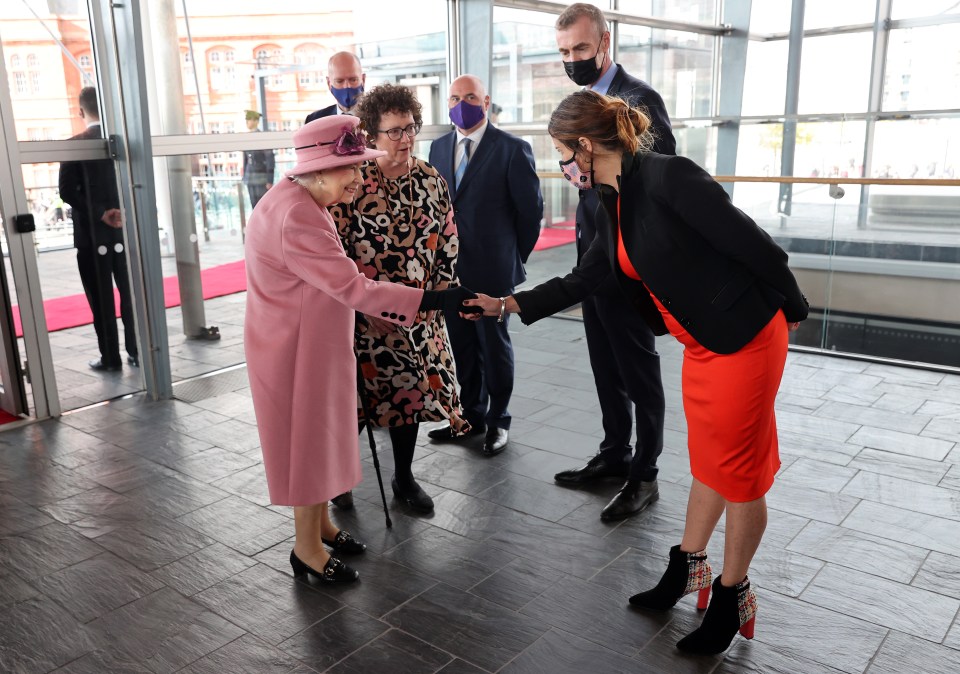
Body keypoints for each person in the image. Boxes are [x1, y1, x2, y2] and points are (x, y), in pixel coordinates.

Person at [463, 91, 809, 655]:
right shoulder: (611, 197)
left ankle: (731, 594)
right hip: (702, 345)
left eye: (562, 154)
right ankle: (686, 568)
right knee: (708, 461)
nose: (562, 166)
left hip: (746, 338)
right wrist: (508, 304)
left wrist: (792, 309)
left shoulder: (670, 178)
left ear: (585, 145)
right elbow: (586, 275)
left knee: (740, 475)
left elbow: (755, 246)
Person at [244, 115, 478, 583]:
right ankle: (306, 550)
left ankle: (323, 526)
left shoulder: (298, 200)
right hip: (296, 352)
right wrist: (434, 300)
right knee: (308, 447)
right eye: (349, 169)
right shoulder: (298, 216)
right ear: (318, 170)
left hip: (307, 343)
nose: (358, 178)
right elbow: (355, 289)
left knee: (321, 439)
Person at [552, 2, 677, 522]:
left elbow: (660, 177)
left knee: (638, 370)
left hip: (629, 263)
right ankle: (614, 453)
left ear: (605, 43)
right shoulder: (578, 102)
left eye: (581, 48)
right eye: (563, 51)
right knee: (604, 362)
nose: (572, 59)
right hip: (594, 259)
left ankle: (644, 474)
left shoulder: (639, 99)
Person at [328, 83, 469, 514]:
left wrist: (435, 300)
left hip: (417, 314)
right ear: (371, 135)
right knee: (353, 404)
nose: (405, 139)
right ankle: (339, 479)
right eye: (394, 131)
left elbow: (447, 244)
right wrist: (364, 308)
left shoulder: (430, 179)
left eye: (410, 128)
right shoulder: (354, 182)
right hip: (363, 319)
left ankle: (404, 477)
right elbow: (336, 251)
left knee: (407, 397)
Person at [427, 75, 542, 456]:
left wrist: (512, 260)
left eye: (470, 96)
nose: (463, 104)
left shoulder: (512, 148)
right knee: (460, 345)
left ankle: (498, 420)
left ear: (487, 100)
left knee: (494, 347)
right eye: (455, 98)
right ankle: (471, 415)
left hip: (493, 270)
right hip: (451, 271)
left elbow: (530, 214)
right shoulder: (439, 148)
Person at [58, 86, 139, 372]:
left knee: (101, 297)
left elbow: (67, 191)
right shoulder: (122, 142)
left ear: (81, 112)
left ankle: (111, 358)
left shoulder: (74, 144)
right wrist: (120, 213)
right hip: (123, 231)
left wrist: (100, 213)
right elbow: (136, 184)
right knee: (130, 295)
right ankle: (137, 352)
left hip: (92, 237)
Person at [304, 52, 365, 123]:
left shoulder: (379, 118)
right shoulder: (314, 121)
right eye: (339, 81)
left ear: (363, 79)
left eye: (353, 80)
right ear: (329, 83)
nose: (347, 86)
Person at [241, 110, 274, 209]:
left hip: (261, 177)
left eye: (249, 120)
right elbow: (245, 158)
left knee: (262, 207)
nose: (247, 123)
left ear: (256, 121)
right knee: (253, 205)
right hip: (250, 176)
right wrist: (244, 176)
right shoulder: (246, 137)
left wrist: (269, 180)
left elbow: (270, 159)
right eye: (246, 120)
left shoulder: (262, 137)